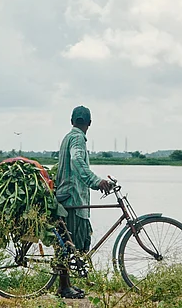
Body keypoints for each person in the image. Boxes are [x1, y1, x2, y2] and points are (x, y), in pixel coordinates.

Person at [53, 105, 113, 299]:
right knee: (68, 243)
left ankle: (66, 285)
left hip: (68, 195)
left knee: (69, 241)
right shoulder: (78, 138)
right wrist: (97, 181)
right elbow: (78, 160)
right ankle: (63, 287)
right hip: (71, 196)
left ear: (72, 121)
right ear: (89, 123)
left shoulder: (68, 137)